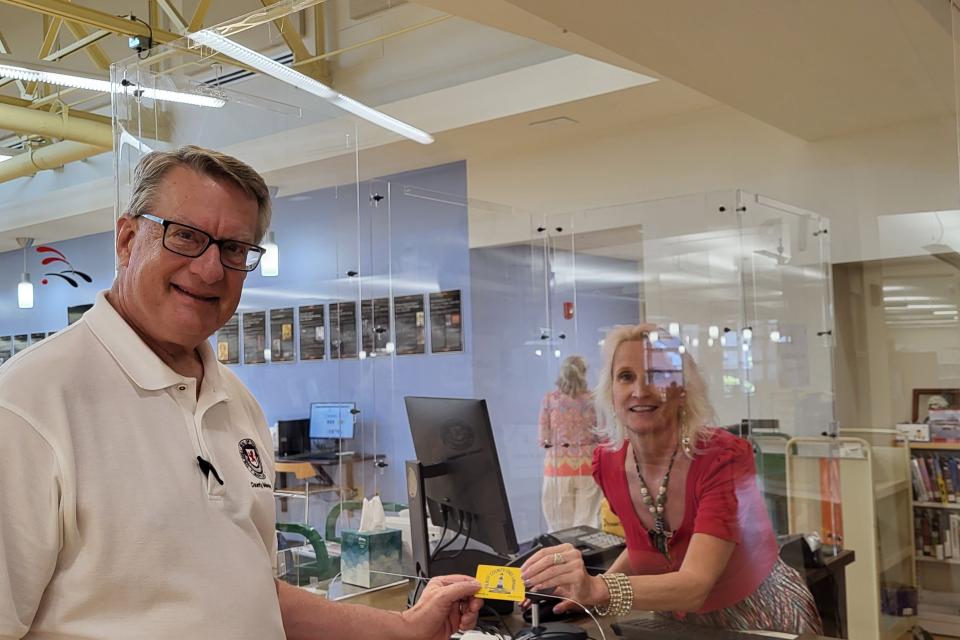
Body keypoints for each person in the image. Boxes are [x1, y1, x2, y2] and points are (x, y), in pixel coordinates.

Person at [0, 145, 482, 640]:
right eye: (185, 235)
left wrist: (404, 628)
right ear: (127, 240)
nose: (210, 269)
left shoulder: (234, 401)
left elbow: (253, 593)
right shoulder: (28, 404)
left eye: (233, 248)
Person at [521, 324, 822, 635]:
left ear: (682, 390)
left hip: (761, 617)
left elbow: (695, 586)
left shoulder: (723, 458)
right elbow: (645, 547)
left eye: (657, 376)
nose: (640, 391)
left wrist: (599, 589)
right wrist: (585, 594)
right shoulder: (607, 463)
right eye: (626, 376)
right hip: (676, 621)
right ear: (611, 391)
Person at [538, 355, 601, 530]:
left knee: (558, 525)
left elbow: (543, 438)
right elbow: (602, 433)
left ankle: (560, 548)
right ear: (584, 373)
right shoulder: (593, 400)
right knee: (587, 523)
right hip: (588, 464)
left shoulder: (550, 399)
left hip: (557, 466)